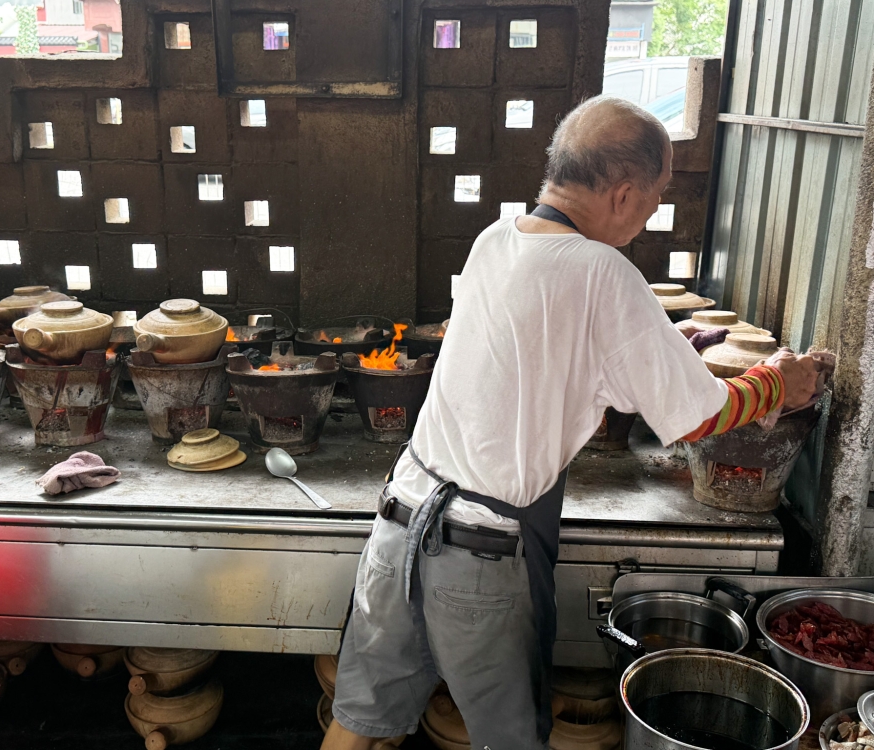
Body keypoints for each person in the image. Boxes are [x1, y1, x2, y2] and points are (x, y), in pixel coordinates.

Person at [321, 95, 818, 750]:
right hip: (480, 558)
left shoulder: (495, 240)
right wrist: (780, 380)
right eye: (654, 198)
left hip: (398, 528)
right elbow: (704, 417)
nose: (650, 215)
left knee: (357, 722)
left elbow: (546, 353)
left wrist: (668, 348)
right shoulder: (604, 272)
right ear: (622, 193)